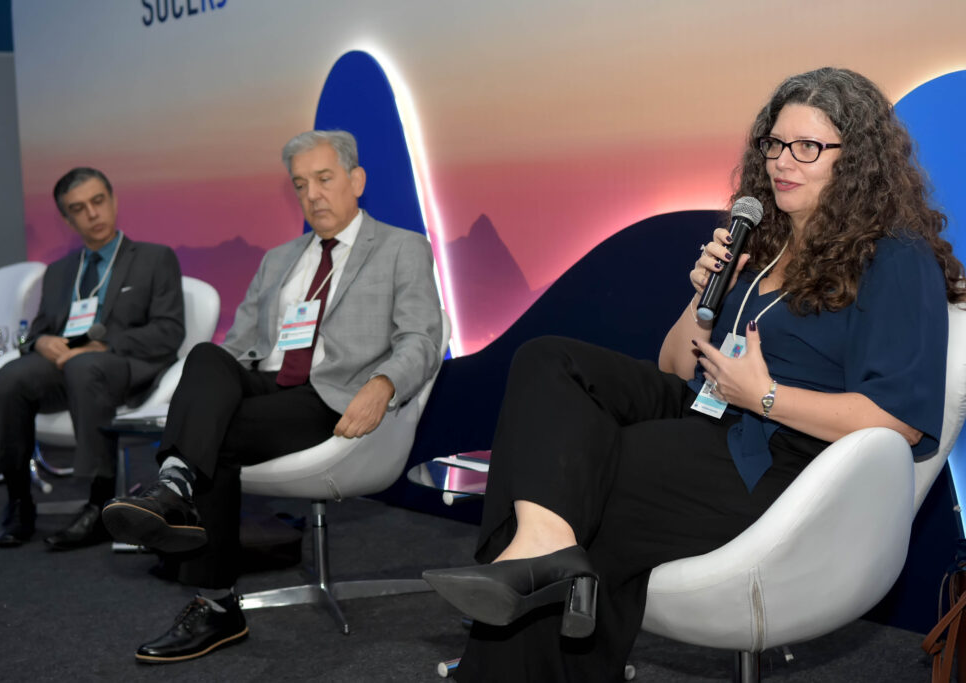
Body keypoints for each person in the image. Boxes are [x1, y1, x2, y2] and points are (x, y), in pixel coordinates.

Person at [422, 67, 965, 681]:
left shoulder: (894, 257)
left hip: (786, 460)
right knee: (549, 362)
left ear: (858, 160)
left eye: (808, 147)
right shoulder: (763, 244)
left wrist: (764, 396)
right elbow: (676, 365)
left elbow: (897, 421)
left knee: (601, 467)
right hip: (709, 409)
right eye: (775, 143)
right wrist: (708, 296)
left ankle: (523, 611)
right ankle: (540, 550)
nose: (783, 162)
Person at [100, 130, 444, 663]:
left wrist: (384, 384)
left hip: (332, 394)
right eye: (301, 184)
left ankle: (213, 598)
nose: (312, 194)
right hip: (268, 381)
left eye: (324, 179)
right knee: (206, 357)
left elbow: (421, 337)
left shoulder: (402, 247)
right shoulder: (279, 258)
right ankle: (176, 484)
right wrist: (199, 397)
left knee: (217, 438)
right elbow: (238, 346)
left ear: (356, 180)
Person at [0, 167, 185, 550]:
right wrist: (41, 343)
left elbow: (169, 331)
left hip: (125, 367)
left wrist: (104, 344)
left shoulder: (155, 258)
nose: (93, 214)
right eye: (79, 208)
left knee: (84, 365)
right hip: (68, 370)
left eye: (98, 201)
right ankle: (18, 500)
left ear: (113, 201)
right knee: (9, 378)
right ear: (67, 219)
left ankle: (99, 504)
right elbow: (36, 332)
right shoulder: (59, 272)